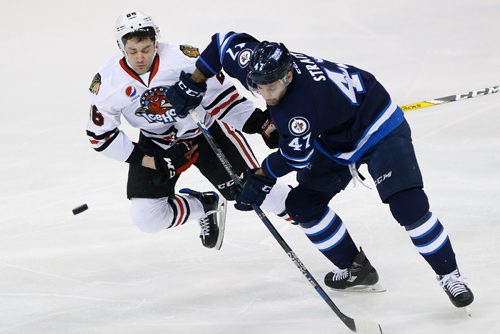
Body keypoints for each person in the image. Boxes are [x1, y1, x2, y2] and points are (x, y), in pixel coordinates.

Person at [165, 31, 474, 308]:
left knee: (408, 207)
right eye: (259, 87)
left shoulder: (300, 110)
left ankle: (450, 275)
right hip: (333, 136)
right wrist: (196, 80)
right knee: (302, 205)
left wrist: (261, 177)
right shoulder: (257, 63)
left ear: (287, 76)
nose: (265, 95)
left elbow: (293, 159)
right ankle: (357, 269)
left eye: (271, 87)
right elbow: (222, 44)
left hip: (378, 128)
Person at [87, 14, 292, 250]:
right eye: (132, 51)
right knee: (147, 218)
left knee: (258, 191)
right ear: (121, 47)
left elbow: (222, 98)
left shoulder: (183, 59)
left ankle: (310, 217)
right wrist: (149, 160)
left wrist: (259, 124)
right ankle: (204, 204)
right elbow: (100, 136)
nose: (140, 57)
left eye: (146, 49)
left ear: (156, 42)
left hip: (206, 132)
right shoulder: (109, 82)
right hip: (157, 144)